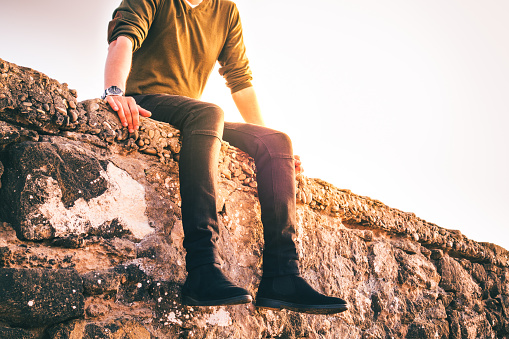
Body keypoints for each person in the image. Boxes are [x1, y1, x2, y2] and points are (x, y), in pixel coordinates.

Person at [104, 0, 348, 314]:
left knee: (276, 141)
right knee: (209, 112)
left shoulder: (226, 11)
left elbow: (241, 81)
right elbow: (122, 39)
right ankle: (203, 268)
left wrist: (273, 150)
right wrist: (114, 90)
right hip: (147, 102)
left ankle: (282, 276)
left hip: (192, 113)